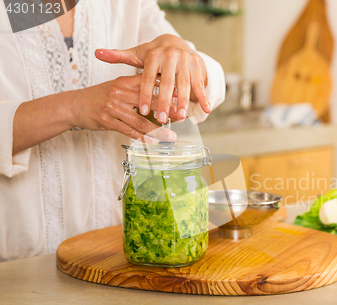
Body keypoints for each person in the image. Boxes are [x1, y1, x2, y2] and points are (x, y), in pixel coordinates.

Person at [0, 0, 225, 261]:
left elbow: (205, 82)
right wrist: (73, 107)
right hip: (17, 267)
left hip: (115, 262)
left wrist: (180, 56)